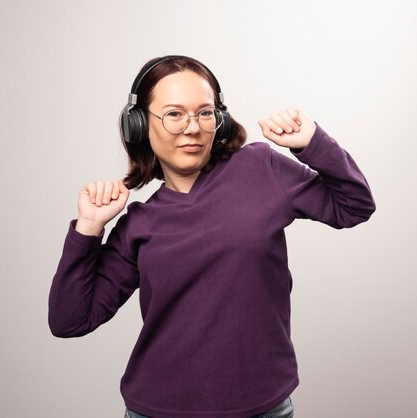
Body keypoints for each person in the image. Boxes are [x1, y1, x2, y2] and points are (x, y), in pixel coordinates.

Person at [48, 55, 376, 418]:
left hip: (263, 407)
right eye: (174, 114)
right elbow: (70, 320)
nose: (193, 128)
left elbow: (354, 206)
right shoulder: (139, 224)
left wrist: (312, 142)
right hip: (159, 411)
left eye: (204, 112)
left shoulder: (260, 168)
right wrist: (89, 228)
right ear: (139, 125)